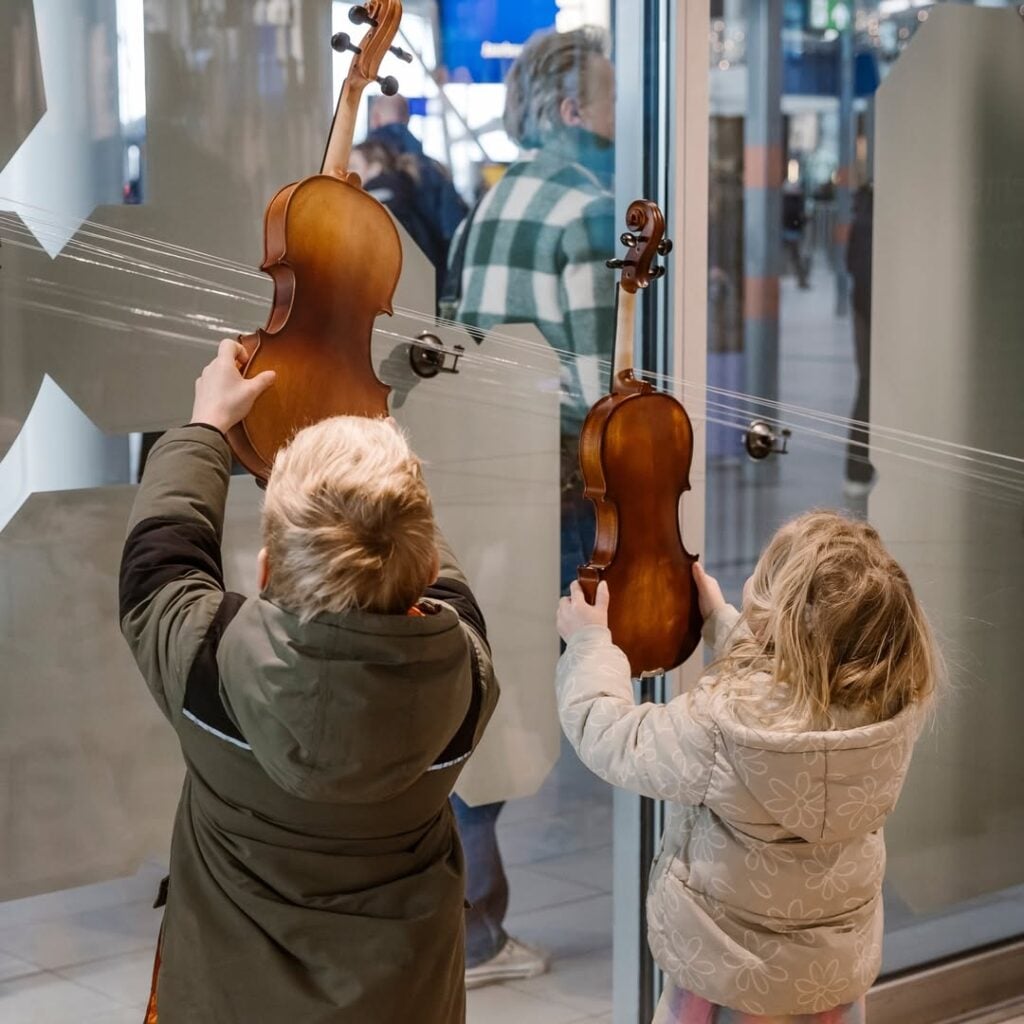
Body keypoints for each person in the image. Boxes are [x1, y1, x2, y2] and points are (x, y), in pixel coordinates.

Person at [119, 340, 498, 1023]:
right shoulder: (466, 679)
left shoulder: (207, 663)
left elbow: (162, 556)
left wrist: (207, 425)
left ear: (264, 572)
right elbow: (439, 576)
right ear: (423, 568)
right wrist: (369, 484)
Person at [556, 510, 938, 1023]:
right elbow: (803, 692)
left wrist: (588, 644)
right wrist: (719, 621)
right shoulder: (890, 712)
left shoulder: (723, 728)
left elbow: (612, 736)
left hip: (728, 984)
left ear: (777, 621)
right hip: (831, 984)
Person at [446, 26, 617, 988]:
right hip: (555, 483)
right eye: (611, 95)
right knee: (529, 696)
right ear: (569, 110)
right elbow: (602, 388)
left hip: (483, 471)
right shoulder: (589, 209)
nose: (622, 113)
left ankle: (466, 918)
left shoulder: (489, 205)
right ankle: (472, 924)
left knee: (484, 683)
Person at [367, 93, 468, 255]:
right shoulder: (436, 170)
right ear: (407, 118)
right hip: (430, 273)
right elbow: (453, 231)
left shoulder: (362, 167)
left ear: (376, 118)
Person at [349, 139, 449, 289]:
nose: (346, 173)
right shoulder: (402, 198)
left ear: (375, 168)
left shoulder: (377, 206)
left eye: (353, 167)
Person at [844, 183, 876, 497]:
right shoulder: (877, 219)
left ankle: (857, 468)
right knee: (870, 387)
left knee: (867, 386)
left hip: (863, 310)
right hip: (872, 315)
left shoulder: (863, 215)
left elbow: (850, 263)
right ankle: (857, 467)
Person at [782, 182, 810, 289]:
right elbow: (797, 219)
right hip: (793, 233)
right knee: (796, 258)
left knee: (794, 258)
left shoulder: (785, 202)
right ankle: (801, 280)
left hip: (788, 233)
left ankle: (799, 279)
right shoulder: (795, 204)